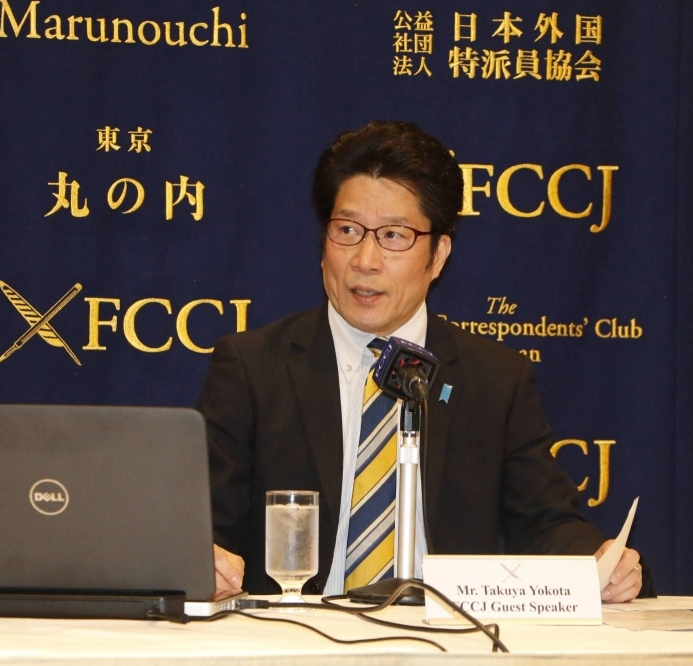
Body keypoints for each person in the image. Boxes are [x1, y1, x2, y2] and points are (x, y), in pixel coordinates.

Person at [198, 121, 653, 602]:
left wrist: (601, 564)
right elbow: (205, 524)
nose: (365, 259)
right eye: (347, 230)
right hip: (295, 643)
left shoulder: (493, 379)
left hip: (447, 641)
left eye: (394, 235)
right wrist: (200, 558)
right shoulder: (253, 367)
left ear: (438, 256)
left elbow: (546, 522)